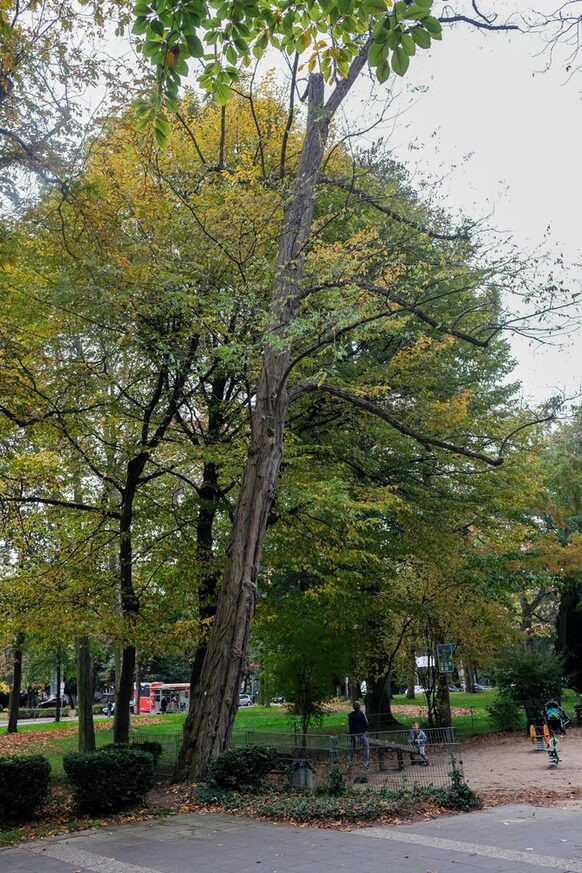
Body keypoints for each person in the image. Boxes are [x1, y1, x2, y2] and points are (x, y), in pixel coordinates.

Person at [348, 700, 370, 768]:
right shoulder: (361, 714)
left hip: (353, 733)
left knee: (353, 747)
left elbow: (349, 724)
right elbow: (365, 723)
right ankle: (365, 763)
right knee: (366, 747)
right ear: (359, 706)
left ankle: (350, 761)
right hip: (361, 733)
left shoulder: (351, 715)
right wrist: (366, 730)